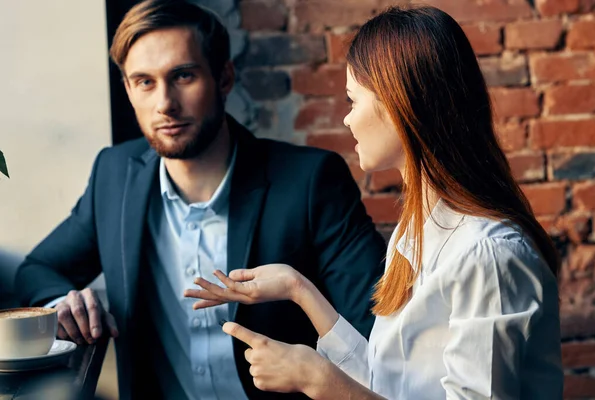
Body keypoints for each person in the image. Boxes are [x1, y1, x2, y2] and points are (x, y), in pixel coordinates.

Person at [185, 5, 564, 399]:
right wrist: (299, 289)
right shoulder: (416, 228)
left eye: (353, 101)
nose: (347, 120)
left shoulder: (487, 254)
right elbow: (386, 382)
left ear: (400, 104)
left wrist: (322, 382)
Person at [13, 1, 386, 399]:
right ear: (127, 89)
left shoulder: (310, 182)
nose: (165, 104)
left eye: (183, 76)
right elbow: (36, 269)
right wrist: (64, 305)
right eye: (144, 82)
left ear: (224, 77)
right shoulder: (114, 175)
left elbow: (375, 334)